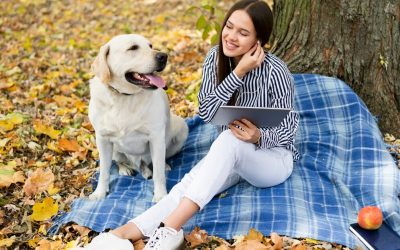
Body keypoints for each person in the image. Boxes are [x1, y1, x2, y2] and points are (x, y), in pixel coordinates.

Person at [75, 0, 299, 249]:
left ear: (259, 41)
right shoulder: (216, 58)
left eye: (243, 33)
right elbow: (206, 112)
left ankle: (170, 228)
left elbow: (290, 127)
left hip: (273, 159)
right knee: (188, 184)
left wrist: (258, 137)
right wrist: (238, 74)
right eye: (229, 27)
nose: (231, 37)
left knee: (226, 140)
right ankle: (123, 233)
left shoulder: (276, 70)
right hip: (232, 153)